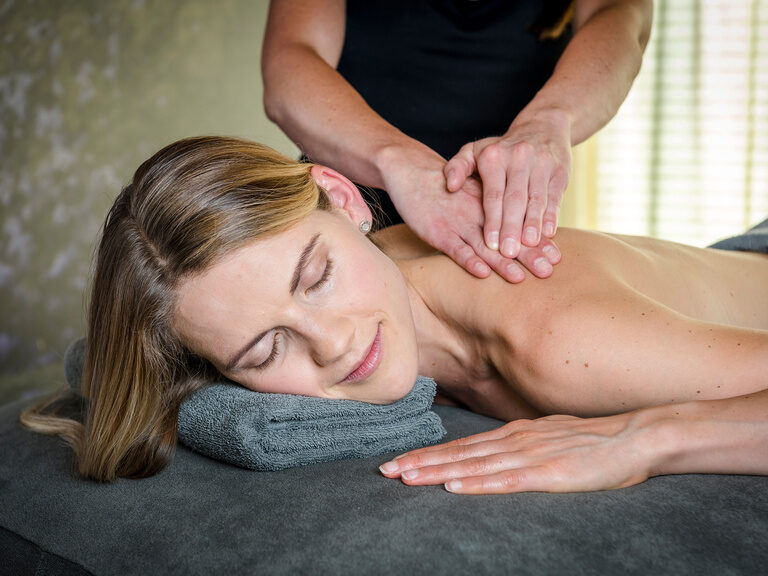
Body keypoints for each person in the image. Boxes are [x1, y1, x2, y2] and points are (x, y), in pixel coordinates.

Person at [21, 137, 768, 491]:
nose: (334, 345)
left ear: (346, 198)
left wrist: (647, 438)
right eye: (265, 351)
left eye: (317, 278)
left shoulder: (559, 343)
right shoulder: (382, 279)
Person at [261, 0, 653, 283]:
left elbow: (621, 16)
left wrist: (550, 122)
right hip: (344, 217)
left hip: (495, 225)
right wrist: (400, 163)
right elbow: (290, 60)